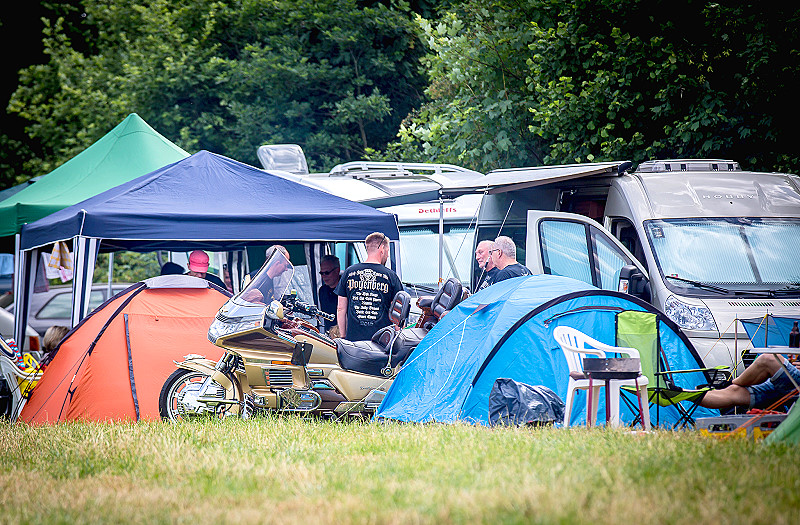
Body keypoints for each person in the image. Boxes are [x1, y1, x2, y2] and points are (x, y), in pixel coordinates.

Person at [335, 232, 403, 341]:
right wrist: (399, 336)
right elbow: (397, 313)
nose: (387, 255)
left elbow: (341, 308)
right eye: (387, 251)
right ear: (382, 249)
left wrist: (343, 336)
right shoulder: (391, 276)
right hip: (381, 342)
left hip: (354, 343)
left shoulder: (349, 273)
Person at [699, 354, 800, 410]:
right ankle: (690, 395)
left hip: (796, 386)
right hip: (792, 384)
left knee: (768, 359)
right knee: (735, 390)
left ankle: (730, 383)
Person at [318, 254, 341, 336]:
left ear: (337, 271)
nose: (324, 276)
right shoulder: (322, 291)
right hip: (330, 334)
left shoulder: (346, 289)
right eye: (321, 273)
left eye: (327, 273)